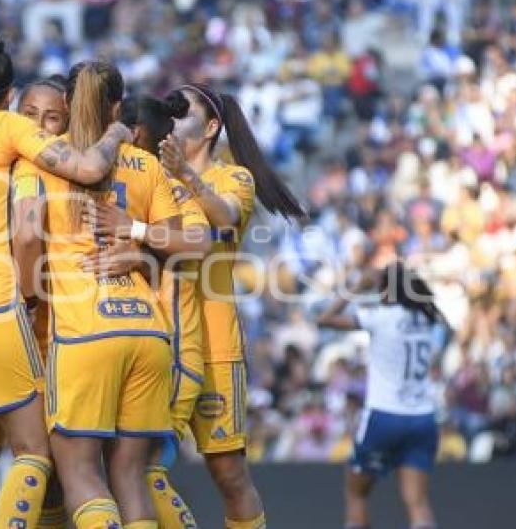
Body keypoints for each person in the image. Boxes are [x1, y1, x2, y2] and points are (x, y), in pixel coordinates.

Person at [0, 31, 131, 529]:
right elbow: (88, 166)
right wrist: (118, 132)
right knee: (34, 451)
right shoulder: (9, 129)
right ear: (11, 97)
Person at [12, 61, 179, 528]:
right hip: (147, 331)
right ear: (118, 108)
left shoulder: (44, 159)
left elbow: (26, 238)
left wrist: (26, 298)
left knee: (79, 471)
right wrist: (142, 251)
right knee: (129, 475)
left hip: (86, 331)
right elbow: (181, 240)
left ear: (65, 106)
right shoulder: (144, 162)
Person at [160, 83, 305, 529]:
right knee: (143, 463)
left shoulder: (232, 177)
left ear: (211, 126)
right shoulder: (153, 174)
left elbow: (223, 216)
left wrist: (186, 173)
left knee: (228, 473)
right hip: (160, 335)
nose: (172, 116)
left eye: (181, 110)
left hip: (215, 339)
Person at [85, 91, 214, 528]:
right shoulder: (113, 181)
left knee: (146, 470)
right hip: (141, 342)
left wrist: (135, 233)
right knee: (128, 471)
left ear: (133, 132)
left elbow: (200, 242)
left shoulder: (169, 184)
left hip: (175, 348)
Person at [317, 262, 445, 529]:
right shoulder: (425, 319)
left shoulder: (381, 316)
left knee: (356, 493)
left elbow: (325, 319)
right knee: (417, 502)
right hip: (422, 418)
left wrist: (357, 286)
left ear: (387, 291)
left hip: (384, 416)